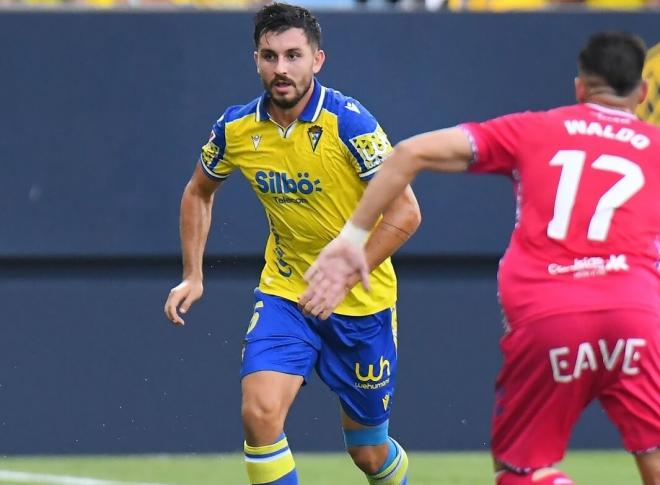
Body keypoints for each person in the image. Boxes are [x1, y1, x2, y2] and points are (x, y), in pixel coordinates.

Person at [301, 31, 660, 485]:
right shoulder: (655, 146)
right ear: (642, 92)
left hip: (550, 315)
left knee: (520, 471)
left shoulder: (535, 129)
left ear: (579, 87)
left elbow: (409, 153)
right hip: (637, 315)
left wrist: (354, 236)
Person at [164, 3, 421, 484]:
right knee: (259, 415)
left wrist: (344, 275)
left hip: (362, 306)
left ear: (317, 60)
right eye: (270, 56)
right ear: (256, 61)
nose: (281, 69)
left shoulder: (351, 124)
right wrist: (192, 274)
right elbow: (198, 191)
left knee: (367, 452)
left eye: (293, 56)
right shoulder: (236, 129)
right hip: (288, 294)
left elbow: (407, 211)